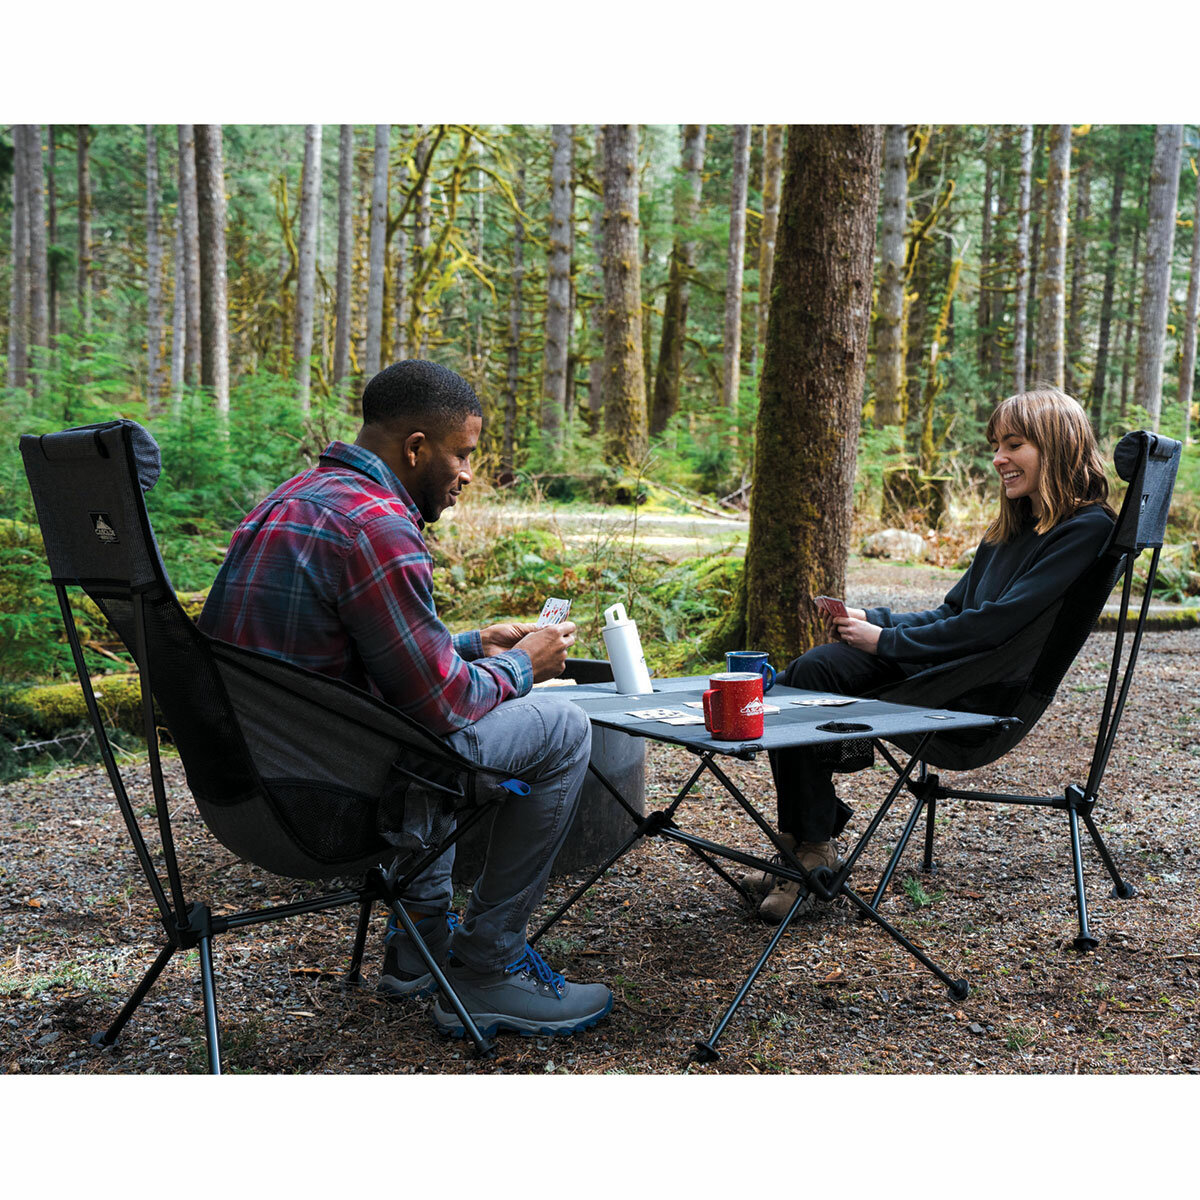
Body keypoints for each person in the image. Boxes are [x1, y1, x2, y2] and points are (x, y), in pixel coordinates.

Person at [198, 359, 612, 1038]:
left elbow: (349, 655)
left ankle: (418, 953)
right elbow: (443, 705)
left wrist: (476, 641)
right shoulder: (377, 526)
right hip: (328, 806)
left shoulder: (289, 501)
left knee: (424, 736)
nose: (468, 475)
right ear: (417, 447)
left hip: (244, 791)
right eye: (463, 454)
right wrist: (523, 663)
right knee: (559, 726)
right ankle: (485, 971)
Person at [749, 386, 1116, 923]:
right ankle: (808, 839)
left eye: (1014, 445)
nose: (998, 459)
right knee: (813, 670)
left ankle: (809, 845)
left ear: (1055, 445)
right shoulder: (1012, 528)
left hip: (983, 693)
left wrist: (888, 644)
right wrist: (879, 624)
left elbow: (995, 627)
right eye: (996, 445)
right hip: (950, 668)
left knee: (812, 684)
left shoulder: (1088, 528)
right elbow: (953, 611)